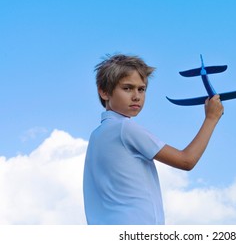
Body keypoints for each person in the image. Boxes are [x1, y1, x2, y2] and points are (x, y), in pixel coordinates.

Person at [83, 54, 224, 224]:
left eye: (141, 89)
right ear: (104, 91)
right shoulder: (125, 128)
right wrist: (211, 118)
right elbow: (186, 161)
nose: (136, 96)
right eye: (127, 88)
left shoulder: (97, 134)